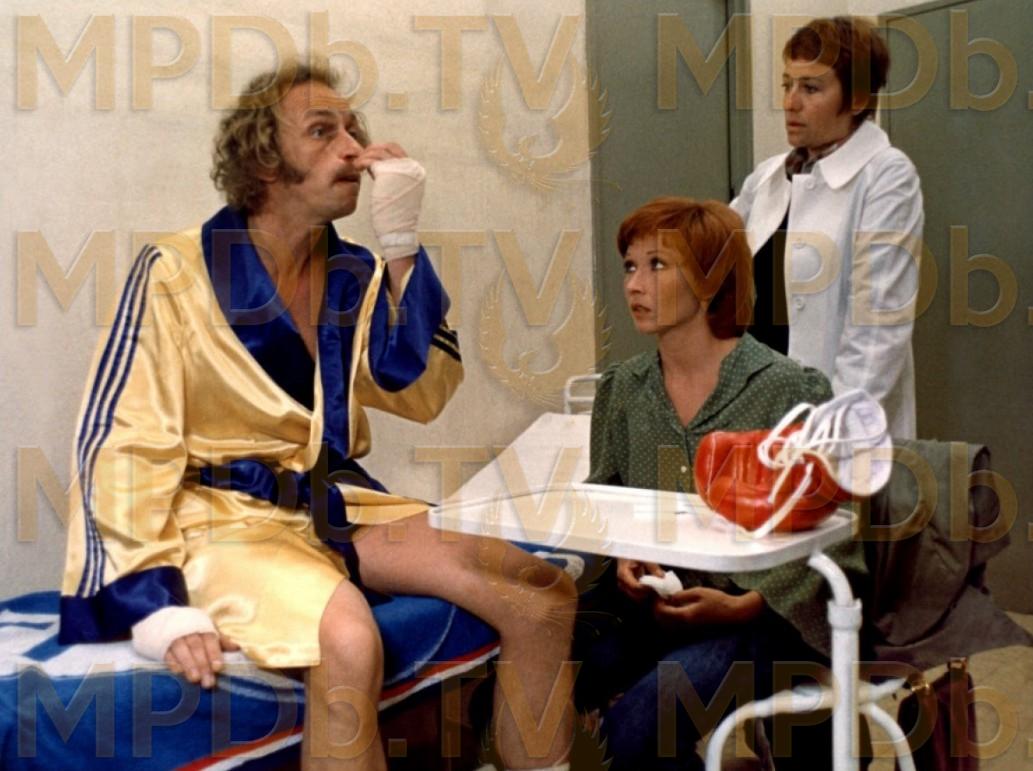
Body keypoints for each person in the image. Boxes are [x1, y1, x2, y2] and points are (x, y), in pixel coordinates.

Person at [59, 61, 576, 771]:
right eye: (322, 131)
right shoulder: (175, 271)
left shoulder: (350, 272)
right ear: (264, 160)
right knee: (350, 642)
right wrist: (154, 603)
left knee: (542, 595)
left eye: (353, 129)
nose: (355, 149)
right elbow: (120, 445)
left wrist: (401, 250)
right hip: (218, 519)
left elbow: (421, 392)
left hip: (328, 502)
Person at [578, 197, 867, 770]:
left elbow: (842, 543)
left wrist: (746, 605)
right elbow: (604, 505)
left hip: (768, 620)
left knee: (642, 720)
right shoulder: (623, 389)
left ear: (711, 281)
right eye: (630, 266)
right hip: (656, 612)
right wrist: (625, 560)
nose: (634, 284)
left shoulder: (790, 390)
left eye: (657, 265)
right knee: (547, 664)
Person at [731, 16, 923, 439]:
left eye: (811, 88)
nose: (790, 102)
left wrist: (831, 433)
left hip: (838, 427)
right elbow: (710, 254)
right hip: (762, 417)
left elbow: (877, 329)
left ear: (857, 99)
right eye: (787, 85)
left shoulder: (886, 176)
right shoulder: (768, 176)